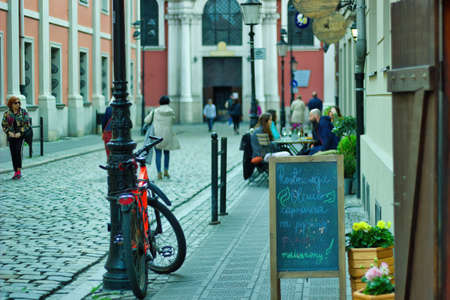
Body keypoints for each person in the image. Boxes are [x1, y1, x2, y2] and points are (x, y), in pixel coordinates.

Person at [144, 95, 180, 180]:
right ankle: (166, 171)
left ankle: (159, 172)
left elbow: (147, 120)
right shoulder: (171, 111)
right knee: (167, 153)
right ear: (168, 102)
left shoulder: (155, 111)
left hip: (157, 135)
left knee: (158, 154)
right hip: (167, 135)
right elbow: (173, 120)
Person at [2, 96, 31, 179]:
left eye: (19, 102)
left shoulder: (23, 112)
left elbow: (27, 124)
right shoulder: (7, 114)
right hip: (11, 137)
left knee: (18, 152)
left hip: (20, 137)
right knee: (13, 153)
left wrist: (20, 132)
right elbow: (4, 125)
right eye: (15, 103)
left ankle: (18, 171)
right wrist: (8, 132)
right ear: (11, 104)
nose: (18, 104)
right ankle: (15, 171)